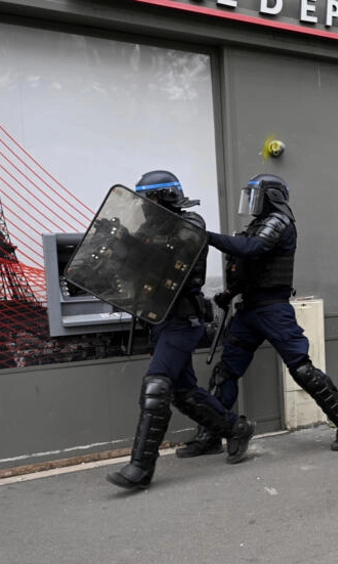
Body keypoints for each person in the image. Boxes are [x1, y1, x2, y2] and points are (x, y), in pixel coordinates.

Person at [183, 174, 338, 460]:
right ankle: (212, 433)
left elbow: (252, 249)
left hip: (273, 310)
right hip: (249, 310)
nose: (251, 202)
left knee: (302, 370)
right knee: (225, 372)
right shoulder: (258, 225)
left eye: (256, 196)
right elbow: (249, 267)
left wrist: (208, 237)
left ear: (271, 197)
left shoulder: (279, 222)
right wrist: (229, 295)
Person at [106, 170, 253, 490]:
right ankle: (235, 429)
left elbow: (168, 252)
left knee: (156, 386)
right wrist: (118, 245)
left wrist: (132, 242)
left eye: (151, 200)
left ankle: (140, 468)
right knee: (184, 393)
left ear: (165, 198)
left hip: (182, 321)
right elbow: (136, 267)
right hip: (159, 320)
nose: (146, 207)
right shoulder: (147, 229)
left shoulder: (191, 225)